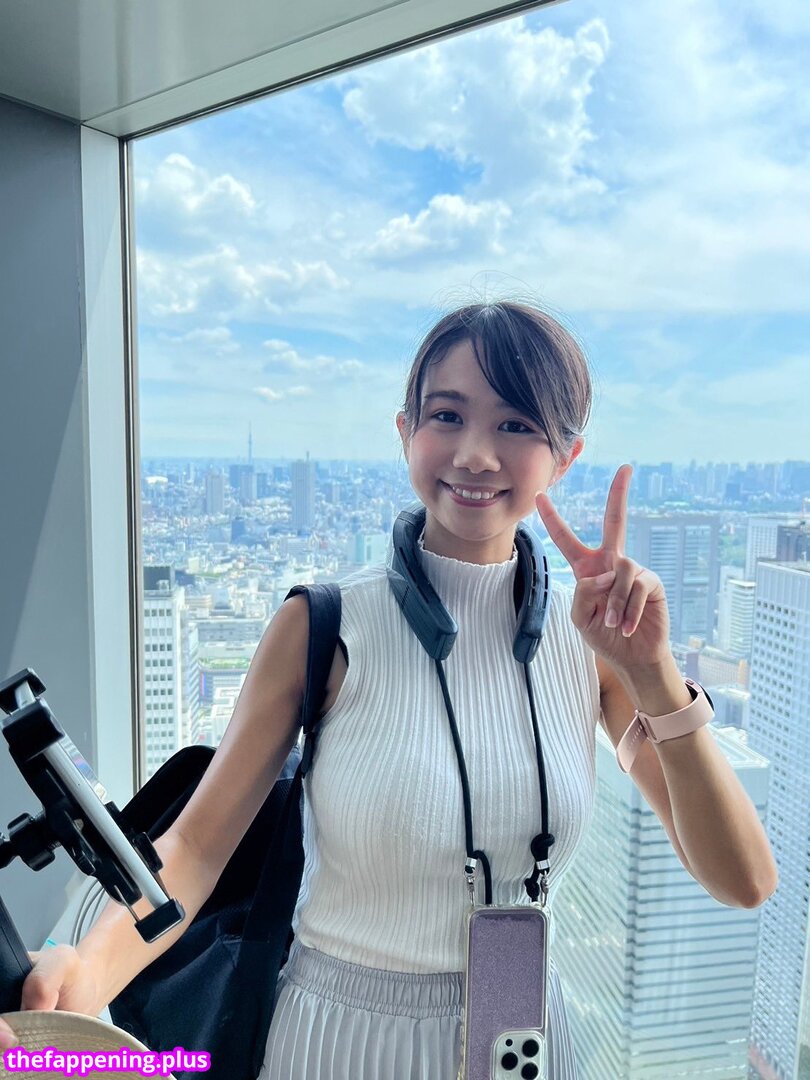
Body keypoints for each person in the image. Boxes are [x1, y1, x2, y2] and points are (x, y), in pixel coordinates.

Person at [0, 300, 778, 1078]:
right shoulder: (324, 627)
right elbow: (196, 849)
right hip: (342, 1041)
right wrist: (88, 971)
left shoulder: (591, 647)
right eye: (448, 415)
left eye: (516, 425)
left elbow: (742, 879)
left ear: (565, 457)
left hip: (523, 1041)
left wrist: (651, 672)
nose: (475, 454)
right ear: (406, 430)